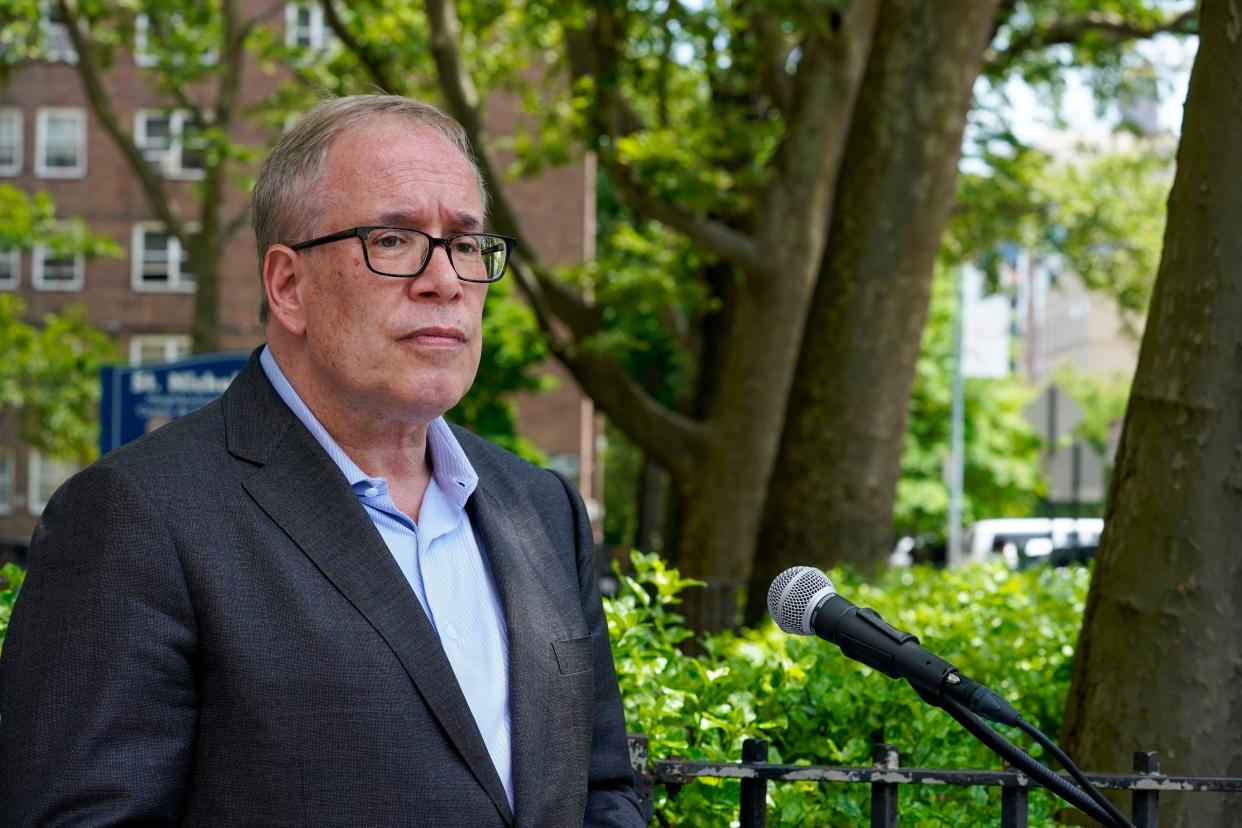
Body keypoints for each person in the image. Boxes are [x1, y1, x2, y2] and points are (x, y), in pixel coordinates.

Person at [0, 95, 645, 828]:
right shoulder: (136, 518)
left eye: (466, 243)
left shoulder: (543, 511)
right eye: (395, 239)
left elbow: (601, 791)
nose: (447, 281)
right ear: (287, 286)